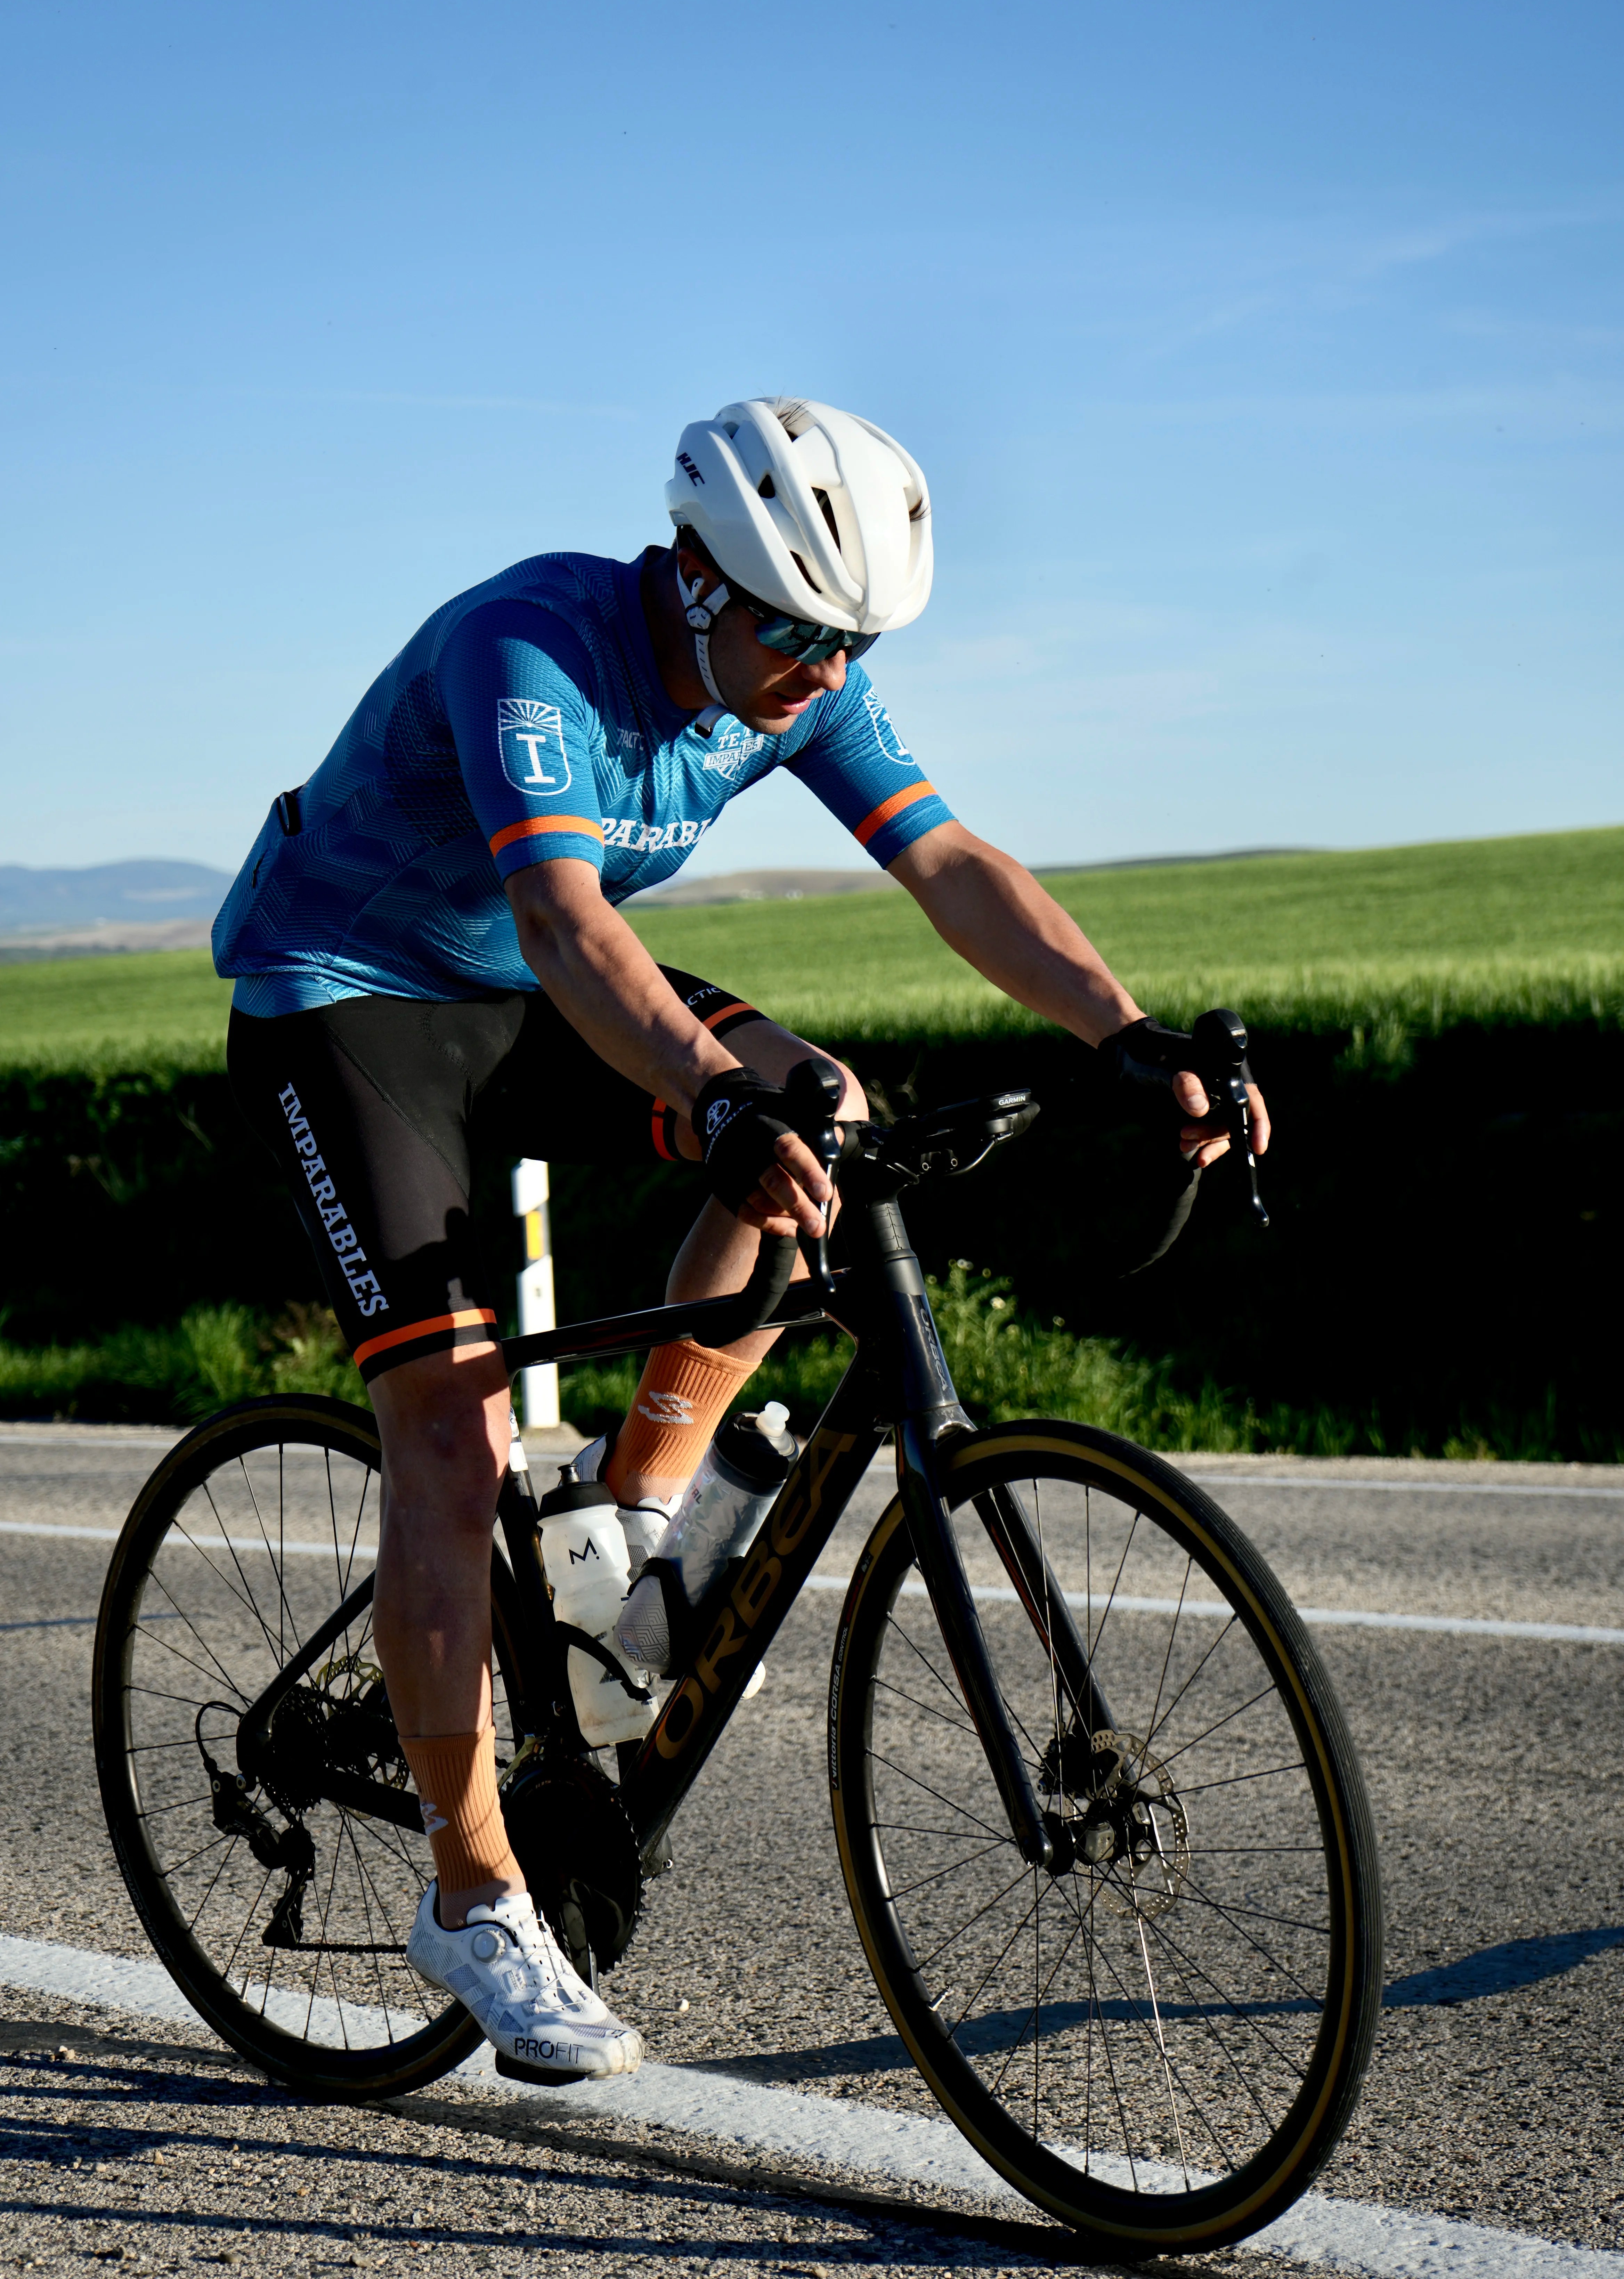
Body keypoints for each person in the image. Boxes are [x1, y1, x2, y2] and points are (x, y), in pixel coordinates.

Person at [213, 395, 1269, 2082]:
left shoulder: (794, 675)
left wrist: (1120, 1038)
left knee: (826, 1108)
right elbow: (565, 921)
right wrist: (711, 1095)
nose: (823, 670)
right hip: (349, 1001)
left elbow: (954, 865)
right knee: (454, 1417)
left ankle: (629, 1517)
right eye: (795, 628)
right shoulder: (531, 649)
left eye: (852, 641)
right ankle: (475, 1900)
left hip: (531, 991)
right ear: (694, 571)